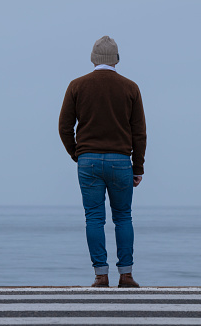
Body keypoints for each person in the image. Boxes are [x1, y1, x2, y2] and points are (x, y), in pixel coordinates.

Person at [58, 36, 147, 288]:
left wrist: (78, 154)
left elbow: (64, 127)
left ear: (93, 58)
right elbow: (139, 131)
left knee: (94, 218)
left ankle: (101, 275)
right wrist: (137, 167)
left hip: (89, 162)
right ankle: (126, 275)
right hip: (121, 161)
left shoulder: (77, 86)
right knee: (123, 217)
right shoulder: (131, 87)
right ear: (117, 60)